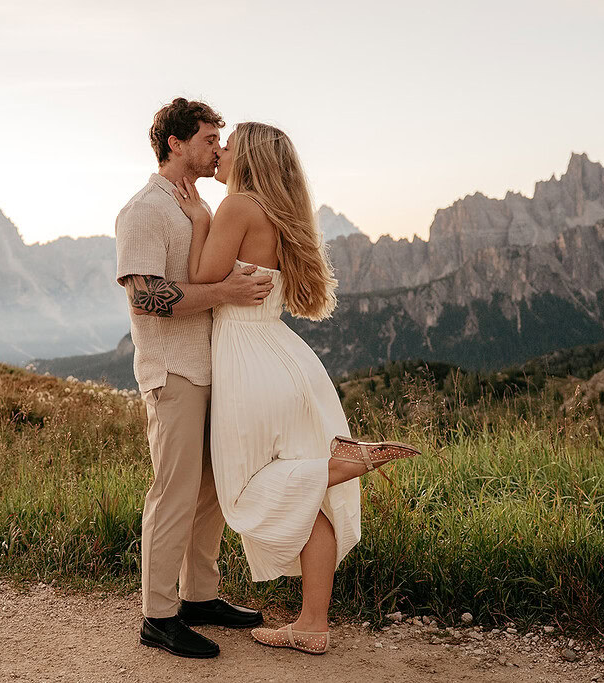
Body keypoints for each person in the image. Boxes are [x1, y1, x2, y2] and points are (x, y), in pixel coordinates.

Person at [172, 121, 420, 655]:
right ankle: (312, 624)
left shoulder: (238, 208)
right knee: (310, 502)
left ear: (251, 155)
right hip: (286, 358)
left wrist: (197, 215)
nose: (220, 150)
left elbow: (201, 279)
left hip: (247, 361)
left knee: (242, 486)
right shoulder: (280, 213)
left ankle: (335, 466)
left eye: (229, 143)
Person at [115, 98, 275, 659]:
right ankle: (158, 616)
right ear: (176, 143)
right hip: (173, 370)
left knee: (210, 488)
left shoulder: (199, 204)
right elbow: (145, 298)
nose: (217, 149)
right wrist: (224, 293)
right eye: (209, 139)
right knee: (174, 492)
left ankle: (199, 598)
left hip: (213, 367)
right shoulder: (145, 210)